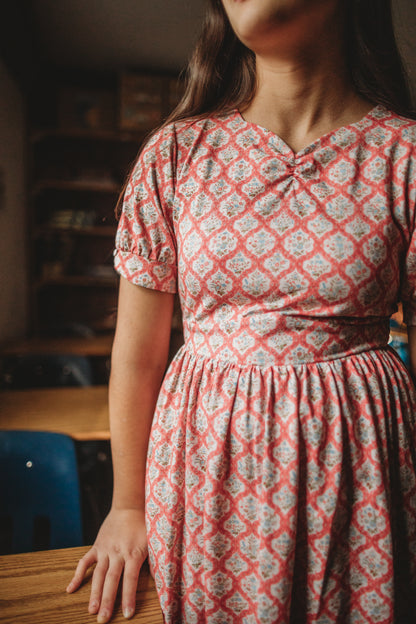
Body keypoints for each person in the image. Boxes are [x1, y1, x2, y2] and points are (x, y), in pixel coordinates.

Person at [67, 0, 416, 622]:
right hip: (205, 481)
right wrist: (127, 506)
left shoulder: (405, 157)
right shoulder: (176, 154)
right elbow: (138, 355)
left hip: (362, 482)